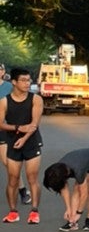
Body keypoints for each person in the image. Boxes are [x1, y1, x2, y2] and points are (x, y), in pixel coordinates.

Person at [0, 67, 44, 224]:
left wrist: (24, 138)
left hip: (31, 142)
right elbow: (0, 124)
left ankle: (34, 211)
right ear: (14, 82)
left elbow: (34, 125)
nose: (27, 83)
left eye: (29, 80)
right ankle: (13, 212)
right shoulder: (4, 102)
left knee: (32, 177)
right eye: (23, 80)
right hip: (13, 142)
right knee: (13, 178)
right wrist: (18, 128)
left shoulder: (36, 99)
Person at [43, 148, 89, 230]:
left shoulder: (78, 170)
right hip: (88, 163)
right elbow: (63, 189)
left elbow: (84, 194)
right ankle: (73, 222)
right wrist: (68, 209)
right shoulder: (57, 170)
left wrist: (79, 213)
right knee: (76, 189)